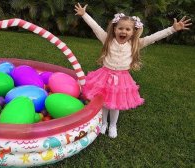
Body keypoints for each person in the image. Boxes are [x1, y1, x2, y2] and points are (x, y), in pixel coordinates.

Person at [75, 3, 192, 138]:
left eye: (127, 29)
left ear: (133, 31)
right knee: (104, 101)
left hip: (122, 77)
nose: (123, 31)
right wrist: (84, 14)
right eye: (120, 28)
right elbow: (95, 27)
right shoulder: (107, 39)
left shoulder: (136, 44)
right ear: (114, 29)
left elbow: (154, 37)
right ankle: (103, 123)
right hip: (105, 74)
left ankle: (113, 125)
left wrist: (172, 29)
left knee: (115, 104)